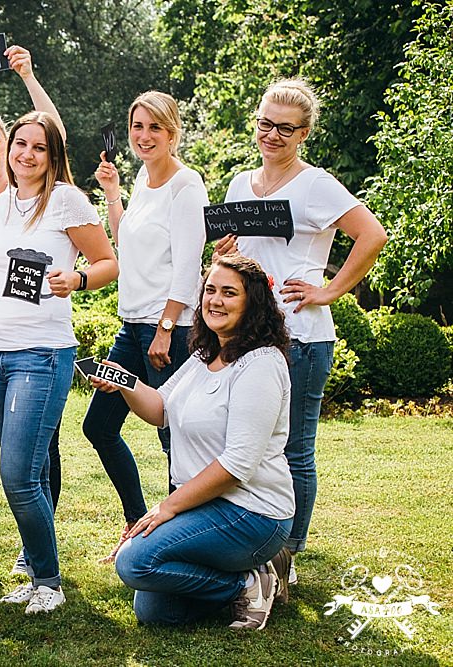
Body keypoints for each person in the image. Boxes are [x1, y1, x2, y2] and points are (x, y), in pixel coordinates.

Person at [218, 78, 387, 581]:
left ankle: (286, 556)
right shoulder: (239, 183)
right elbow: (243, 260)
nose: (272, 135)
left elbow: (372, 235)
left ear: (304, 133)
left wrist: (329, 290)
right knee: (246, 444)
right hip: (247, 336)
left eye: (285, 129)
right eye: (265, 123)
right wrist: (227, 253)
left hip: (302, 338)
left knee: (294, 449)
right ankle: (252, 542)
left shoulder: (316, 185)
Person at [0, 110, 118, 614]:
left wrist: (76, 280)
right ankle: (38, 575)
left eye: (39, 147)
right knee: (27, 474)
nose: (26, 154)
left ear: (53, 155)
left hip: (41, 353)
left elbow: (108, 263)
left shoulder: (66, 200)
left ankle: (50, 584)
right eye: (20, 144)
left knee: (18, 474)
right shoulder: (2, 202)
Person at [111, 254, 295, 630]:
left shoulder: (260, 365)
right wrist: (123, 382)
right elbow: (161, 409)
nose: (215, 300)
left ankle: (249, 582)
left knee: (134, 563)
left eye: (229, 292)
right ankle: (251, 574)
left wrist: (167, 508)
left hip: (251, 511)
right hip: (203, 506)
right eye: (210, 290)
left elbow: (237, 465)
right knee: (155, 611)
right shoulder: (204, 356)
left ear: (253, 302)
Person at [81, 91, 208, 563]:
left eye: (155, 127)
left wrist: (167, 326)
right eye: (137, 126)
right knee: (99, 425)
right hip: (131, 327)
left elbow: (188, 264)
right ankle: (138, 523)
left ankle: (183, 541)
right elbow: (125, 242)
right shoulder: (142, 180)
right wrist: (113, 194)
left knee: (175, 438)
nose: (144, 136)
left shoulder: (186, 186)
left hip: (170, 329)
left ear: (172, 133)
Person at [0, 45, 66, 574]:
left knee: (35, 455)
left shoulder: (51, 194)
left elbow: (51, 131)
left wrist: (27, 75)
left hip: (39, 343)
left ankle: (36, 553)